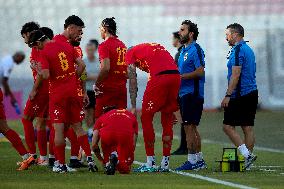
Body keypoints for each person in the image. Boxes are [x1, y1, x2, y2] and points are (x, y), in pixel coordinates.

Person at [28, 28, 97, 173]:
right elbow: (82, 66)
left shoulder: (44, 52)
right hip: (73, 91)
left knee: (58, 129)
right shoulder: (67, 46)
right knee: (78, 127)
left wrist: (37, 69)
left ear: (40, 41)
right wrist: (73, 79)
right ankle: (90, 158)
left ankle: (60, 164)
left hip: (58, 94)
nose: (36, 48)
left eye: (35, 45)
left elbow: (46, 75)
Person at [126, 43, 181, 172]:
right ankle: (165, 163)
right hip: (176, 77)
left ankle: (150, 162)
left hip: (160, 78)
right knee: (167, 118)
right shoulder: (152, 48)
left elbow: (132, 78)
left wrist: (133, 106)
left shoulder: (130, 53)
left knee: (146, 117)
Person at [52, 15, 91, 169]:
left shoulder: (74, 47)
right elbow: (81, 69)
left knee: (67, 126)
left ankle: (69, 159)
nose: (80, 35)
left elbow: (82, 71)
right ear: (71, 27)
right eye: (79, 31)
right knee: (67, 126)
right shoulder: (64, 45)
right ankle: (55, 159)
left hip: (70, 91)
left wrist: (84, 91)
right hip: (66, 91)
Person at [221, 23, 258, 170]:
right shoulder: (248, 49)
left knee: (227, 126)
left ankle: (247, 155)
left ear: (235, 34)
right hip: (251, 92)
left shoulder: (237, 51)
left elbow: (235, 75)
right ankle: (247, 163)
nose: (226, 38)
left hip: (240, 94)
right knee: (247, 127)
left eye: (227, 34)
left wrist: (228, 95)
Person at [175, 20, 206, 171]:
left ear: (191, 33)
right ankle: (199, 160)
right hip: (184, 93)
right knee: (192, 128)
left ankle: (191, 160)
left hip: (192, 94)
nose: (179, 32)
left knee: (188, 127)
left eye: (182, 30)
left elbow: (200, 71)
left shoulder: (196, 49)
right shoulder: (183, 51)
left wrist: (181, 77)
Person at [20, 22, 53, 166]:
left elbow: (42, 72)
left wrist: (34, 90)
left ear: (29, 34)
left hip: (42, 89)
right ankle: (44, 158)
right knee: (43, 123)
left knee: (26, 119)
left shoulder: (37, 48)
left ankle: (32, 155)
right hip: (49, 89)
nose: (25, 40)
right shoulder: (43, 45)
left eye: (24, 36)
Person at [94, 17, 127, 119]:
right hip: (121, 89)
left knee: (101, 122)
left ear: (104, 29)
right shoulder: (122, 45)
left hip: (108, 89)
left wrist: (97, 84)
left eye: (100, 28)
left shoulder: (104, 45)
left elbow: (105, 68)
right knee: (119, 121)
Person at [92, 106, 138, 175]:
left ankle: (108, 163)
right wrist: (129, 155)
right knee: (125, 169)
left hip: (107, 135)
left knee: (105, 139)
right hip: (124, 135)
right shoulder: (130, 115)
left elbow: (94, 144)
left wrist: (102, 160)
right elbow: (133, 142)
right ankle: (118, 162)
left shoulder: (102, 117)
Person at [171, 31, 187, 155]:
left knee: (183, 119)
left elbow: (177, 74)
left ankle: (184, 147)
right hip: (185, 89)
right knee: (185, 120)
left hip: (182, 90)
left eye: (173, 38)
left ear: (178, 40)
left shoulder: (180, 53)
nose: (172, 41)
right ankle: (185, 146)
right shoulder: (182, 52)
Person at [83, 39, 100, 139]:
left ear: (95, 50)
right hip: (87, 90)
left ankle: (94, 130)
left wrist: (90, 76)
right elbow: (82, 76)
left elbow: (103, 74)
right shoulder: (83, 62)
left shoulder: (99, 61)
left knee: (95, 112)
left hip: (96, 90)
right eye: (88, 50)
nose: (90, 51)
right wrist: (93, 76)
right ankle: (90, 130)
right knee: (87, 111)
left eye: (91, 50)